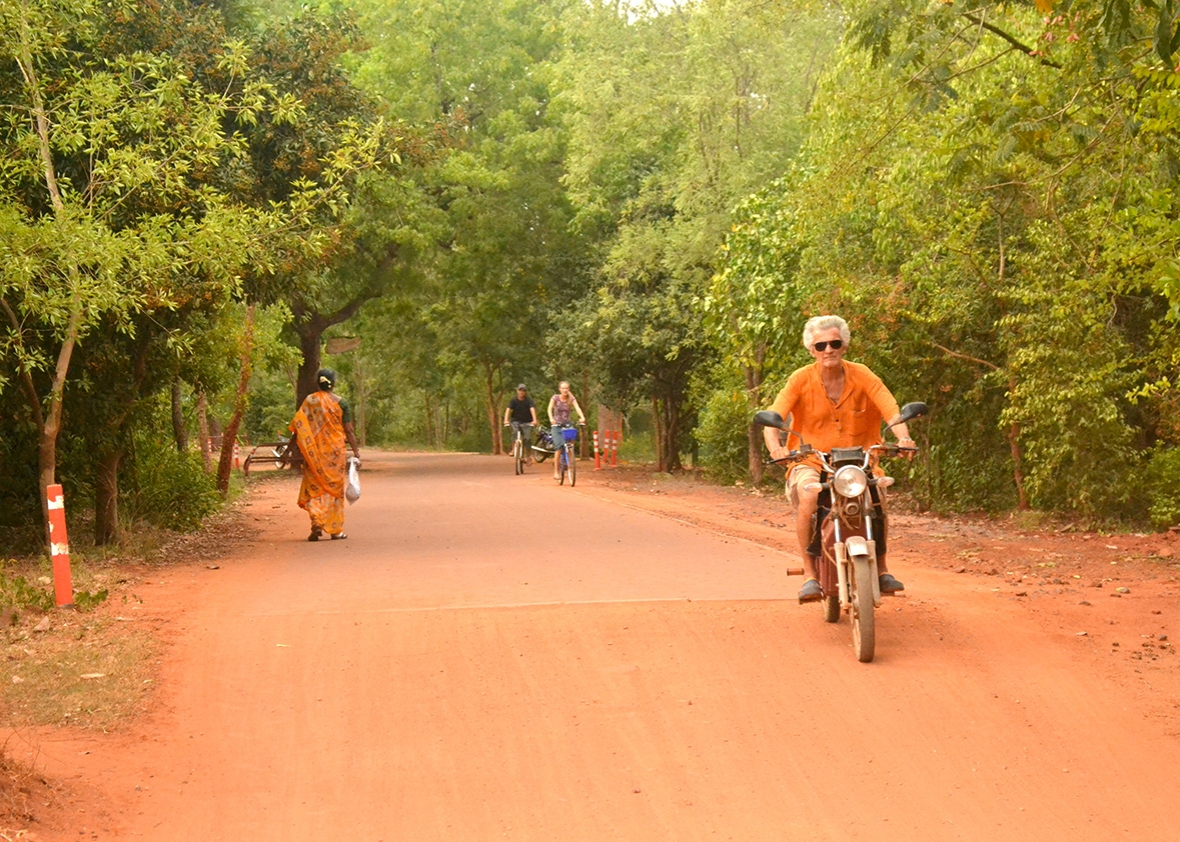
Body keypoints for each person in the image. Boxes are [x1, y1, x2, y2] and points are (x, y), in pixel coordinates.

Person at [762, 315, 914, 602]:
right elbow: (773, 422)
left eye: (834, 343)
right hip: (811, 460)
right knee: (809, 496)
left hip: (861, 461)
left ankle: (881, 570)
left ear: (844, 346)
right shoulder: (800, 379)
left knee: (878, 494)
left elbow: (892, 412)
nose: (828, 350)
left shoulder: (863, 375)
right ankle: (811, 575)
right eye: (821, 345)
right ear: (812, 350)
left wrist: (904, 438)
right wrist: (776, 449)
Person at [289, 368, 361, 542]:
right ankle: (335, 530)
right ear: (333, 383)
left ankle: (316, 521)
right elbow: (349, 430)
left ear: (318, 383)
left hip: (313, 453)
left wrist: (290, 448)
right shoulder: (342, 403)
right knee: (334, 490)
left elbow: (299, 426)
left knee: (314, 486)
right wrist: (357, 452)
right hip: (334, 454)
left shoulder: (310, 401)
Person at [547, 380, 586, 479]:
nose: (565, 390)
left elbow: (577, 408)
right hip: (556, 425)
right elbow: (549, 408)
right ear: (560, 389)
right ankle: (556, 472)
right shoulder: (555, 398)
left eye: (567, 388)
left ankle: (569, 461)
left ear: (569, 389)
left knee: (571, 441)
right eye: (563, 388)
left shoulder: (571, 399)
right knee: (559, 447)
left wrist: (582, 417)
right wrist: (551, 419)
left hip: (567, 424)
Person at [503, 384, 539, 452]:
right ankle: (513, 449)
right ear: (517, 391)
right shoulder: (513, 400)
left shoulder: (529, 400)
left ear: (525, 392)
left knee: (527, 439)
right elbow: (508, 409)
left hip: (527, 422)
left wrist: (534, 420)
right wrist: (506, 420)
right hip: (515, 421)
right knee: (515, 433)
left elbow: (532, 409)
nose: (521, 392)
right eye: (520, 390)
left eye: (523, 390)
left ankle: (528, 456)